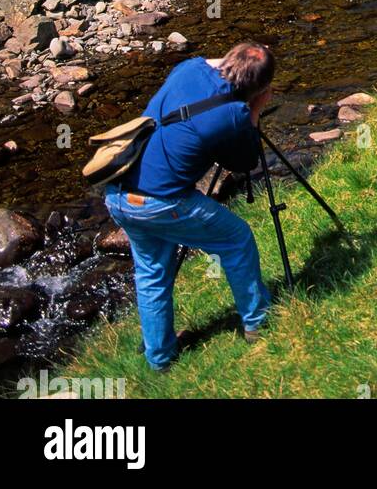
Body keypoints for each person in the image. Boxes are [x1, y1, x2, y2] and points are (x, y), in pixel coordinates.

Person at [105, 41, 275, 370]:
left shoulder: (188, 67)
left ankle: (160, 359)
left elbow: (210, 68)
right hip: (159, 202)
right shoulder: (234, 114)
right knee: (236, 238)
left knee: (152, 274)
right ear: (260, 89)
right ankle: (257, 323)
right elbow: (243, 163)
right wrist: (254, 111)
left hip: (119, 193)